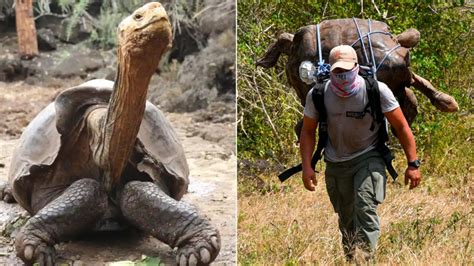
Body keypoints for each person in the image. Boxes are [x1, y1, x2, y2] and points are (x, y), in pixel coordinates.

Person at [299, 45, 421, 260]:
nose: (343, 75)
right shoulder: (318, 94)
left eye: (347, 69)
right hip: (335, 163)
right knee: (346, 218)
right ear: (330, 69)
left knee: (365, 208)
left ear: (357, 67)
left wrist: (413, 164)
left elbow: (401, 127)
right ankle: (351, 258)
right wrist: (307, 167)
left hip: (368, 157)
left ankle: (365, 261)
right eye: (338, 71)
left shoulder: (376, 90)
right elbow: (308, 131)